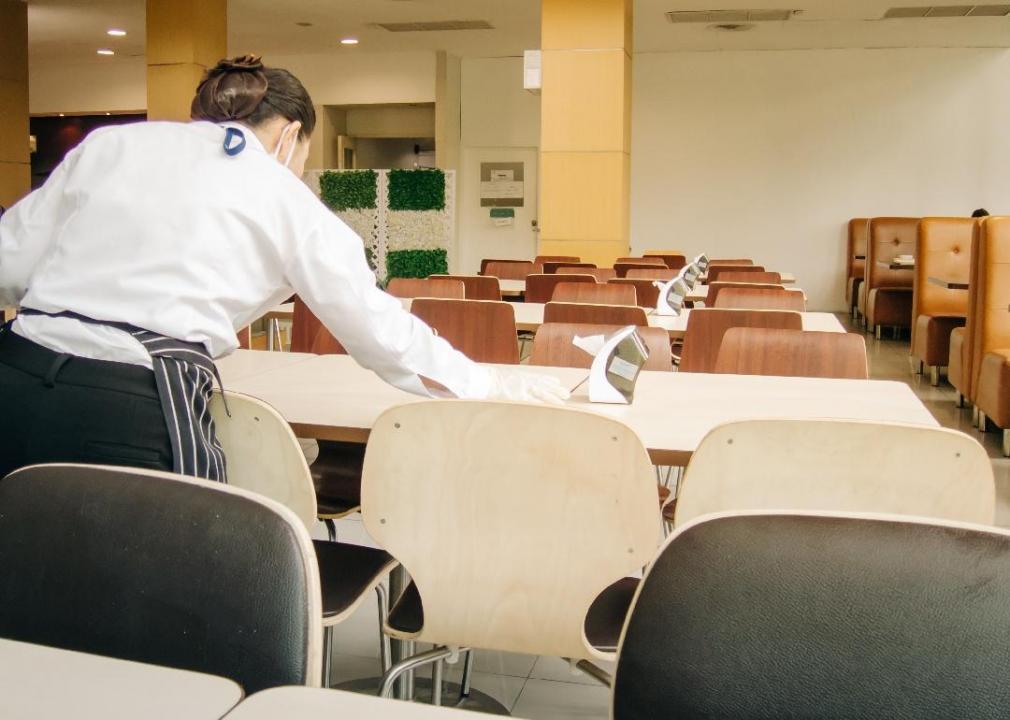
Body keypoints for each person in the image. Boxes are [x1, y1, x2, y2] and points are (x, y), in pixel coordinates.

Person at [0, 55, 568, 481]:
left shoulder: (110, 147)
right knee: (144, 603)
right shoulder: (282, 195)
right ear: (291, 136)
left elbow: (10, 261)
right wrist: (489, 382)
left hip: (17, 371)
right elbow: (381, 335)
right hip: (126, 404)